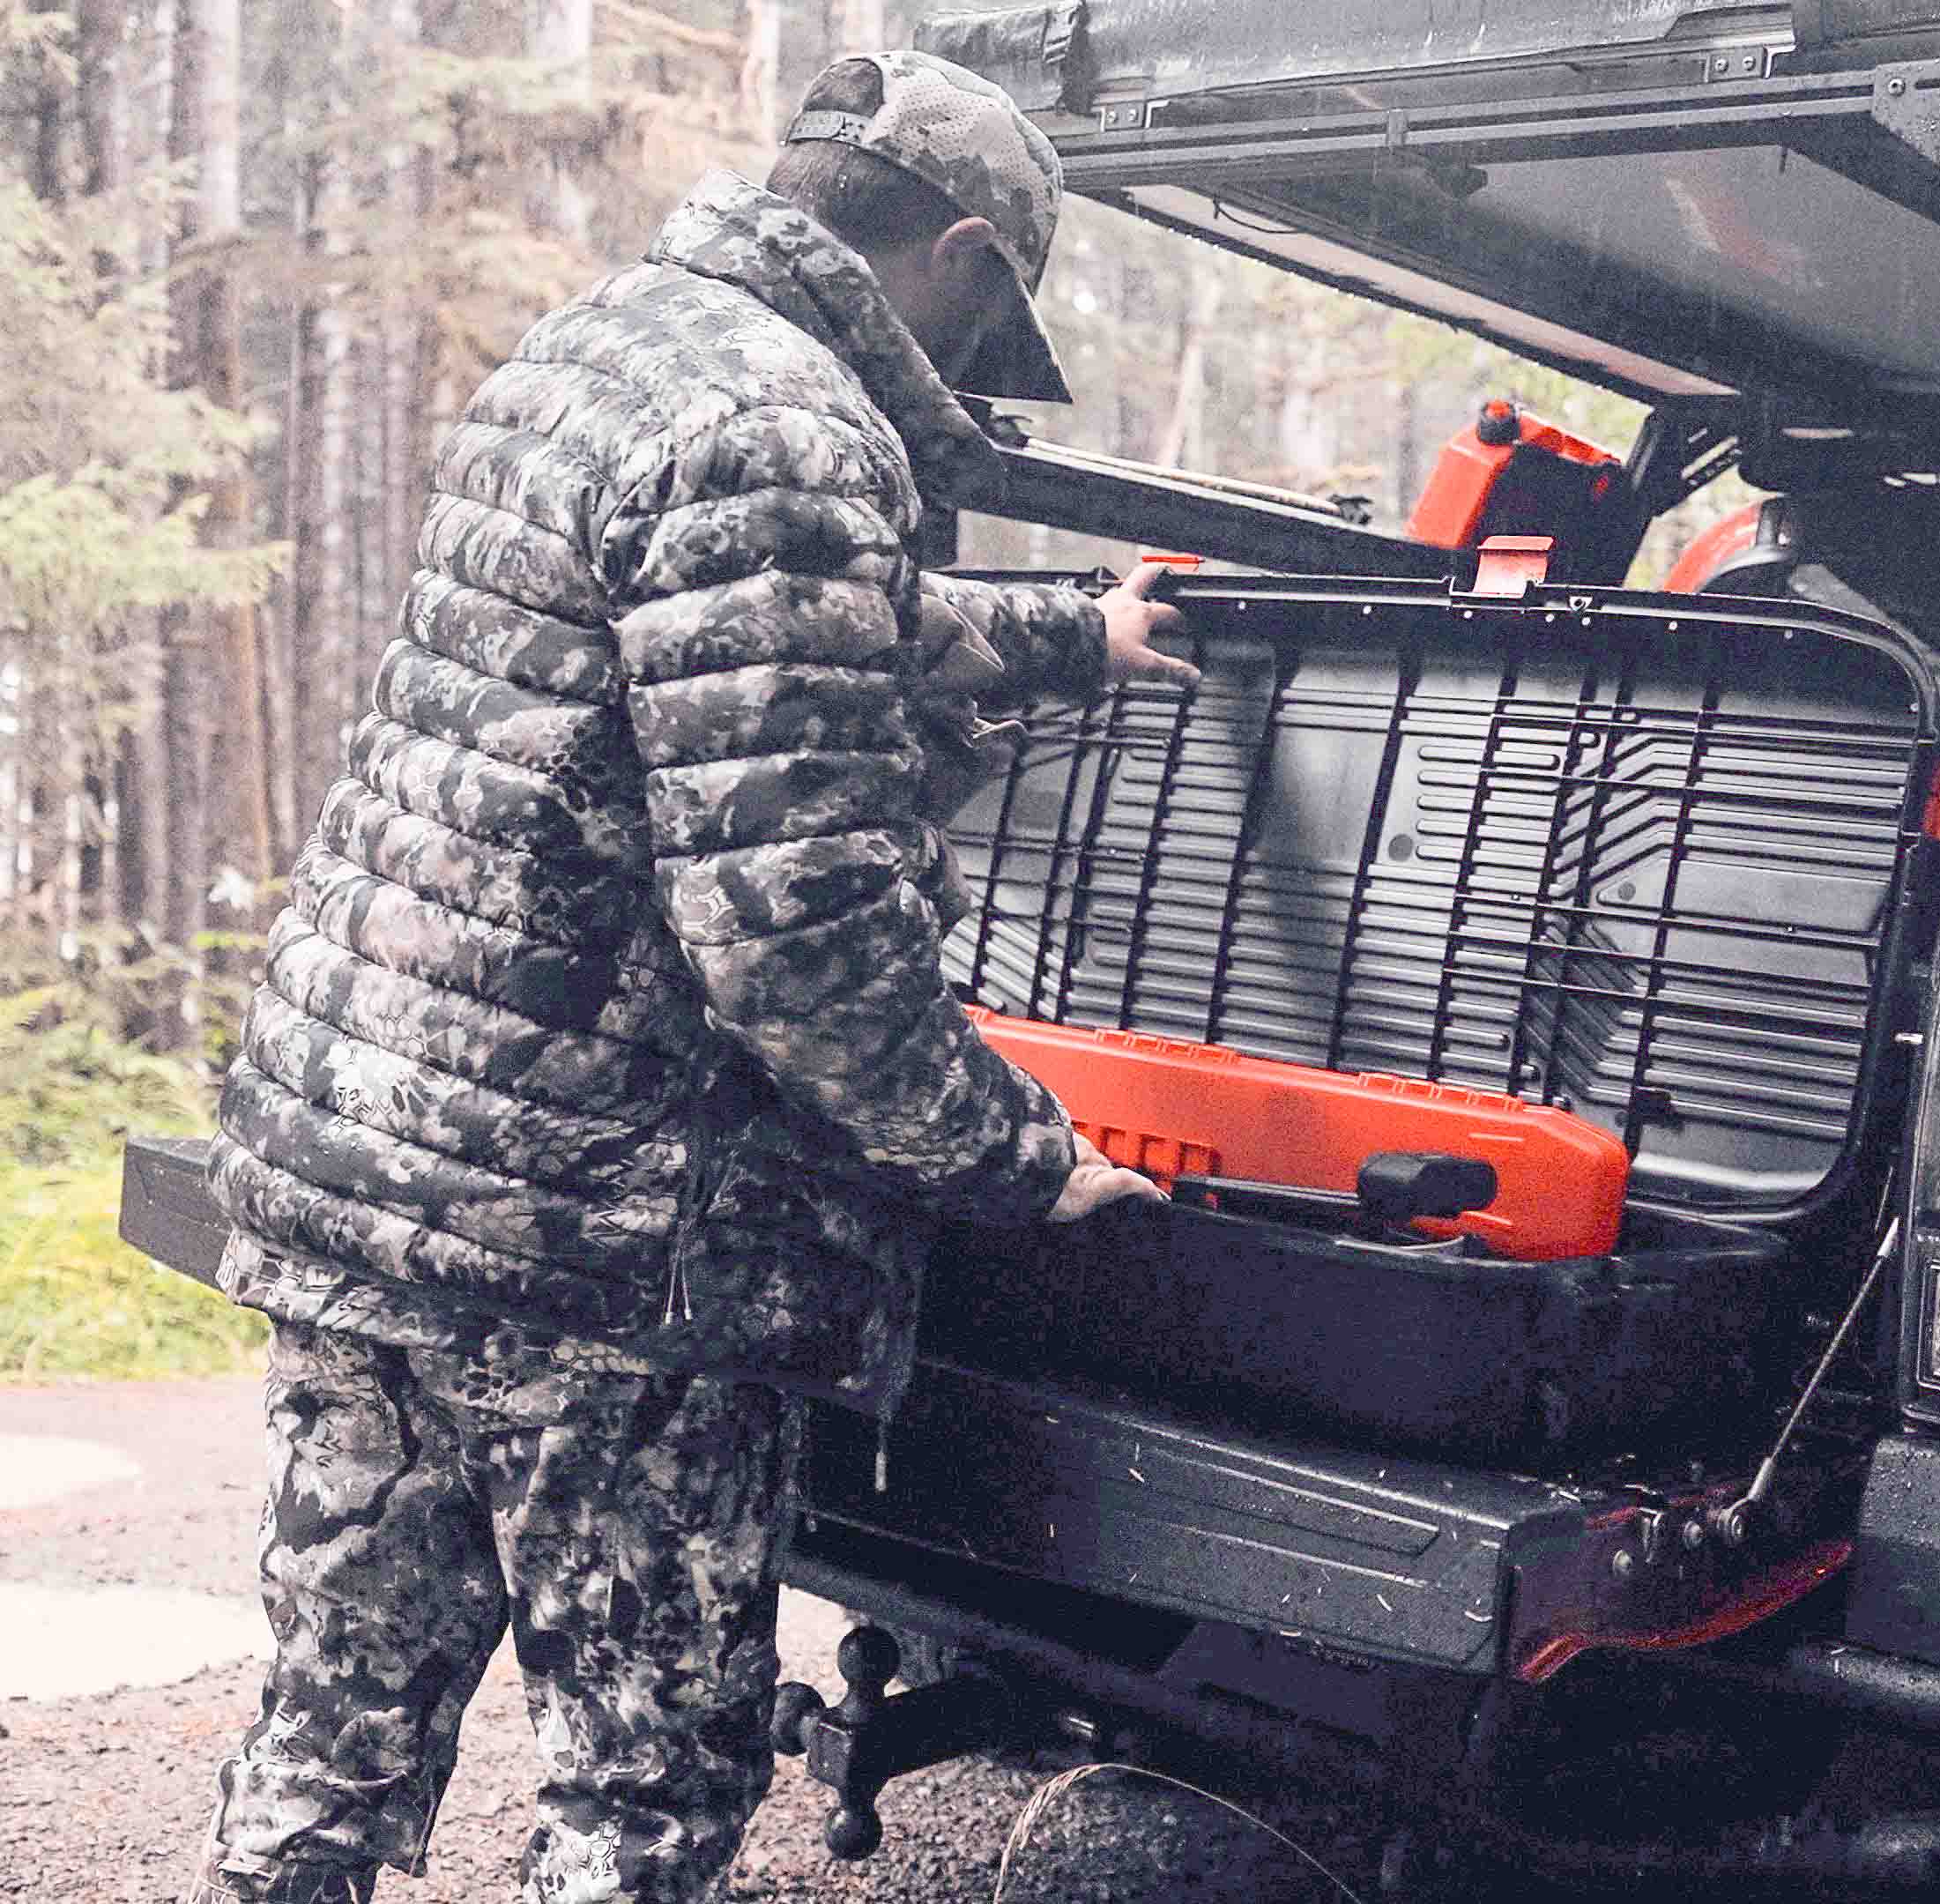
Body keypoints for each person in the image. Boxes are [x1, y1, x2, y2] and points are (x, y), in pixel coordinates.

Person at [182, 49, 1193, 1904]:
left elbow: (777, 624)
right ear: (962, 252)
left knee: (334, 1706)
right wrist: (1016, 1158)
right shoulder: (793, 430)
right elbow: (798, 932)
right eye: (988, 328)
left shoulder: (607, 344)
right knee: (640, 1778)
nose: (972, 380)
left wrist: (1074, 635)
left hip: (368, 1164)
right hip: (594, 1236)